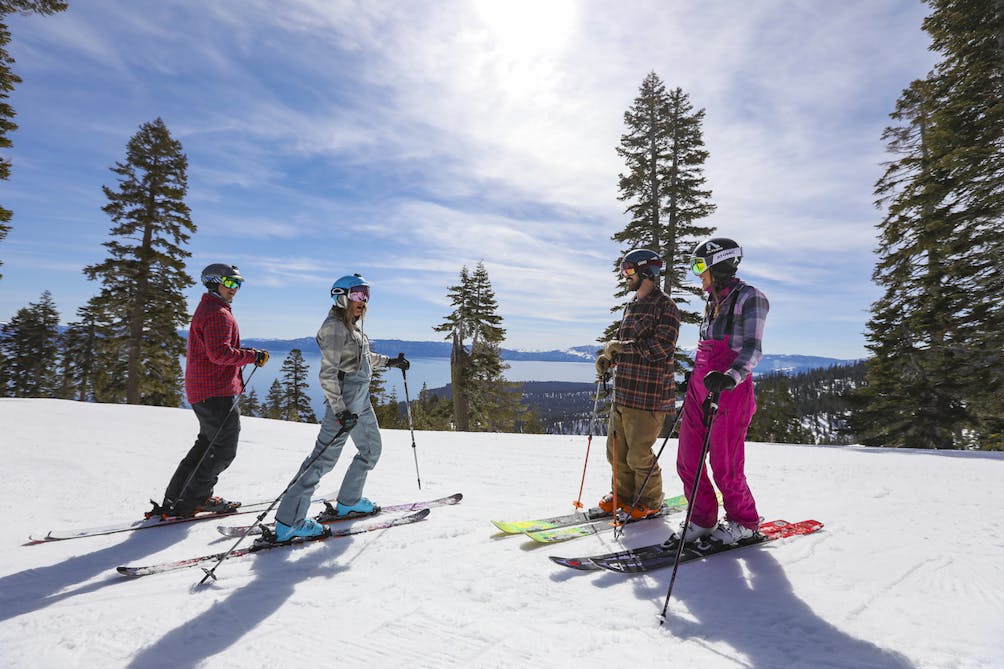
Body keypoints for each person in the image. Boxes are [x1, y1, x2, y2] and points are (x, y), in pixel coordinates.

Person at [271, 273, 410, 541]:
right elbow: (328, 374)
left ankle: (349, 501)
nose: (363, 300)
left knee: (371, 449)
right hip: (344, 403)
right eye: (358, 294)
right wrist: (340, 409)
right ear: (341, 295)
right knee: (322, 460)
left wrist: (391, 362)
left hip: (361, 400)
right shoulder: (334, 327)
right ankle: (289, 523)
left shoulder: (352, 326)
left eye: (366, 294)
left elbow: (363, 358)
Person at [151, 263, 269, 518]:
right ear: (215, 282)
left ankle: (176, 498)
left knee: (205, 446)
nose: (234, 289)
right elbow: (220, 354)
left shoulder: (211, 308)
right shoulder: (217, 313)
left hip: (204, 390)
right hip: (215, 392)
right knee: (224, 449)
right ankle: (193, 501)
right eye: (230, 283)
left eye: (237, 284)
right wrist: (252, 356)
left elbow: (217, 349)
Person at [671, 237, 769, 546]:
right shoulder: (711, 302)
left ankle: (745, 521)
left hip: (731, 392)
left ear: (721, 264)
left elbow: (753, 350)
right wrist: (695, 376)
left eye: (700, 265)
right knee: (687, 460)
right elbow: (707, 349)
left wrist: (729, 377)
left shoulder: (750, 297)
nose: (697, 273)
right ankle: (701, 518)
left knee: (726, 466)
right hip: (701, 390)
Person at [595, 248, 681, 520]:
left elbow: (662, 347)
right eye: (623, 271)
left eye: (629, 270)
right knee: (616, 453)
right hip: (625, 393)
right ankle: (623, 496)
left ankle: (650, 500)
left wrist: (623, 347)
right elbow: (625, 346)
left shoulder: (665, 306)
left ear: (646, 271)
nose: (625, 276)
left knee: (638, 456)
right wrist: (609, 359)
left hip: (649, 396)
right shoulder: (632, 305)